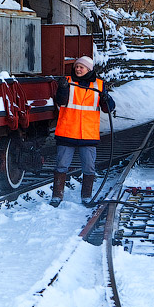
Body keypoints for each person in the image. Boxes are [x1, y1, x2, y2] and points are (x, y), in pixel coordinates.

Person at [50, 55, 114, 206]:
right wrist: (63, 89)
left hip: (88, 134)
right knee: (61, 165)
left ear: (89, 69)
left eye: (81, 67)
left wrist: (106, 98)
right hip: (67, 131)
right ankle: (57, 196)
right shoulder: (67, 82)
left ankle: (86, 196)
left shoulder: (99, 85)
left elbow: (109, 108)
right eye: (77, 67)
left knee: (89, 167)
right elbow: (60, 101)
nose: (78, 69)